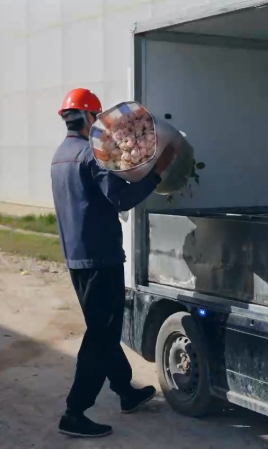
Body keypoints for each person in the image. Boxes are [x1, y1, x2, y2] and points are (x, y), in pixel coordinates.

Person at [51, 88, 176, 439]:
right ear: (91, 118)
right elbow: (121, 199)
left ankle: (125, 391)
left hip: (77, 259)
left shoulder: (60, 156)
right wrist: (157, 171)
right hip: (101, 258)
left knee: (102, 328)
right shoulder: (91, 156)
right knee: (101, 335)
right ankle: (74, 412)